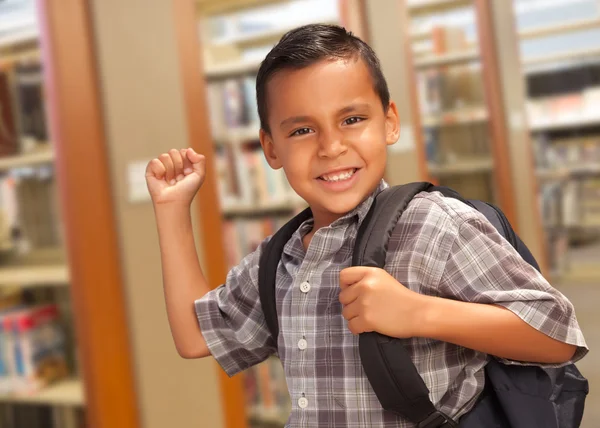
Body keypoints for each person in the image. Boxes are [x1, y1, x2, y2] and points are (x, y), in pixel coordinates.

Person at [145, 23, 587, 427]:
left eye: (352, 120)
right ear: (271, 148)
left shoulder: (435, 224)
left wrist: (419, 312)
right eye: (301, 130)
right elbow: (196, 337)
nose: (332, 146)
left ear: (389, 122)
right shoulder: (280, 258)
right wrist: (171, 209)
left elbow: (557, 334)